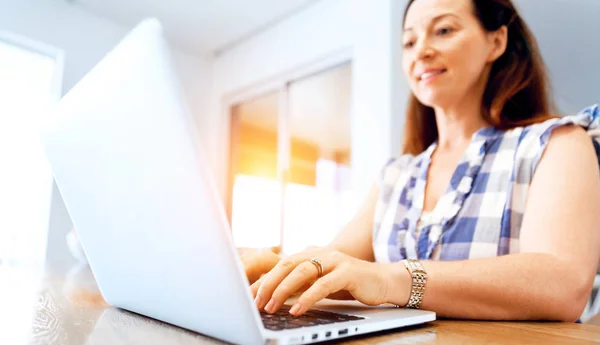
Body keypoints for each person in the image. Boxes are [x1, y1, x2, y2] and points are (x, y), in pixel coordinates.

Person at [241, 0, 600, 322]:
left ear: (496, 42)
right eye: (409, 42)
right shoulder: (396, 175)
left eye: (443, 30)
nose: (422, 51)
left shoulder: (557, 143)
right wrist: (273, 269)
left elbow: (562, 284)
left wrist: (390, 279)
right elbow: (336, 267)